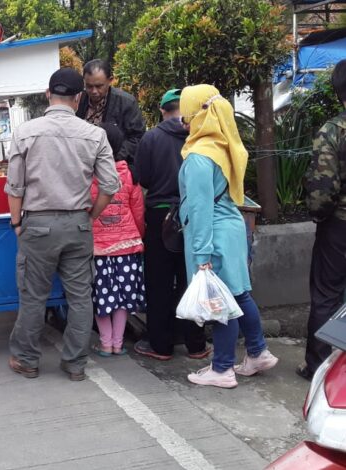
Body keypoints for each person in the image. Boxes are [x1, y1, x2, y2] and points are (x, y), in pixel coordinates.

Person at [5, 67, 121, 381]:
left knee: (33, 296)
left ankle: (26, 360)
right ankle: (74, 364)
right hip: (78, 225)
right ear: (78, 97)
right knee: (81, 298)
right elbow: (110, 185)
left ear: (47, 95)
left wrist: (17, 223)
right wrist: (90, 216)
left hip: (38, 225)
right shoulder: (95, 134)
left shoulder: (26, 132)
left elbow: (14, 187)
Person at [178, 84, 278, 389]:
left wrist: (202, 255)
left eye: (186, 114)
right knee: (238, 295)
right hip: (233, 229)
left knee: (219, 302)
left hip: (214, 236)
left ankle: (221, 369)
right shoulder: (224, 146)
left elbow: (200, 209)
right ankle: (258, 352)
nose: (183, 121)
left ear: (197, 115)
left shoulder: (198, 157)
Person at [133, 89, 210, 361]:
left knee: (159, 282)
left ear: (163, 110)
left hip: (160, 216)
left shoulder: (151, 138)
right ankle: (197, 345)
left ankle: (160, 345)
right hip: (194, 216)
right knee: (193, 279)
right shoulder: (200, 136)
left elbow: (141, 178)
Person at [298, 59, 346, 380]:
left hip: (339, 227)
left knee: (327, 296)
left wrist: (318, 215)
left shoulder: (333, 131)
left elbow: (322, 190)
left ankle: (319, 367)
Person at [89, 122, 145, 357]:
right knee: (122, 296)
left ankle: (105, 343)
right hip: (128, 245)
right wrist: (139, 236)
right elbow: (138, 210)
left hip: (98, 247)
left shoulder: (87, 175)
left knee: (102, 295)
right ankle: (118, 344)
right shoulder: (129, 173)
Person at [76, 59, 146, 172]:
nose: (94, 91)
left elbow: (138, 138)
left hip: (116, 168)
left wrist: (114, 156)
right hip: (83, 167)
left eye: (99, 86)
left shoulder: (126, 102)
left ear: (110, 80)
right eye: (89, 86)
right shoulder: (78, 100)